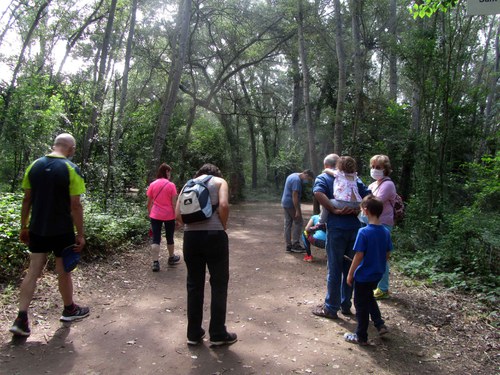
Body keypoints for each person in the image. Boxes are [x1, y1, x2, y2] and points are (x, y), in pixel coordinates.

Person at [9, 133, 89, 337]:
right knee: (63, 270)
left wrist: (23, 226)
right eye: (74, 150)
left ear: (55, 145)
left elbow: (27, 199)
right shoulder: (71, 169)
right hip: (62, 229)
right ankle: (69, 309)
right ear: (70, 149)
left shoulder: (34, 166)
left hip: (37, 227)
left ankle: (21, 318)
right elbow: (75, 205)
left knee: (33, 269)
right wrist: (80, 234)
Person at [175, 163, 237, 347]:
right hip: (214, 236)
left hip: (190, 238)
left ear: (199, 173)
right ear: (216, 172)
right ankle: (217, 333)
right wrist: (223, 225)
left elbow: (177, 214)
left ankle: (193, 333)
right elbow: (224, 205)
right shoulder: (219, 182)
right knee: (218, 284)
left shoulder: (187, 185)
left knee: (194, 284)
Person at [312, 154, 371, 319]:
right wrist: (359, 209)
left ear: (329, 165)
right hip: (354, 227)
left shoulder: (324, 177)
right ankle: (346, 305)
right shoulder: (355, 179)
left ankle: (331, 307)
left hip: (337, 228)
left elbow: (318, 193)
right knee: (350, 267)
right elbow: (369, 195)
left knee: (335, 267)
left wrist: (334, 210)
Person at [344, 195, 391, 345]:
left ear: (365, 211)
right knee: (369, 297)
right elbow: (387, 254)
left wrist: (350, 274)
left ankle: (361, 336)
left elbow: (358, 255)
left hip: (363, 275)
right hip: (377, 274)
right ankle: (379, 324)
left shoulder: (363, 232)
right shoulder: (385, 232)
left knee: (360, 305)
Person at [367, 155, 397, 300]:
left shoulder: (388, 185)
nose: (374, 170)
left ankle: (383, 288)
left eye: (378, 167)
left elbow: (374, 202)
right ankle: (374, 284)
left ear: (386, 169)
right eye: (372, 167)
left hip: (383, 223)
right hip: (370, 223)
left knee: (381, 256)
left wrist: (365, 200)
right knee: (371, 255)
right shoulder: (373, 185)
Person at [146, 163, 180, 272]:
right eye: (169, 172)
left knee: (156, 238)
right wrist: (177, 218)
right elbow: (174, 203)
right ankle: (171, 257)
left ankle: (155, 263)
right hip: (169, 215)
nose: (170, 174)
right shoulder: (171, 185)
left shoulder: (153, 184)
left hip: (155, 215)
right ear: (166, 172)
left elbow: (149, 202)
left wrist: (150, 213)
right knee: (170, 237)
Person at [320, 156, 363, 223]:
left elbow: (328, 170)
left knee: (326, 202)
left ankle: (321, 221)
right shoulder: (355, 176)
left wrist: (324, 170)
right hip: (357, 203)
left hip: (344, 203)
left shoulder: (339, 174)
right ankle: (361, 218)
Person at [281, 169, 315, 253]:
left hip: (285, 202)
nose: (307, 181)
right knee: (299, 222)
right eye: (308, 179)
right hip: (291, 204)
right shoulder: (296, 180)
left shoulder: (293, 175)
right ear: (305, 174)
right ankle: (296, 244)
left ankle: (288, 245)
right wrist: (297, 210)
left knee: (288, 223)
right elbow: (294, 196)